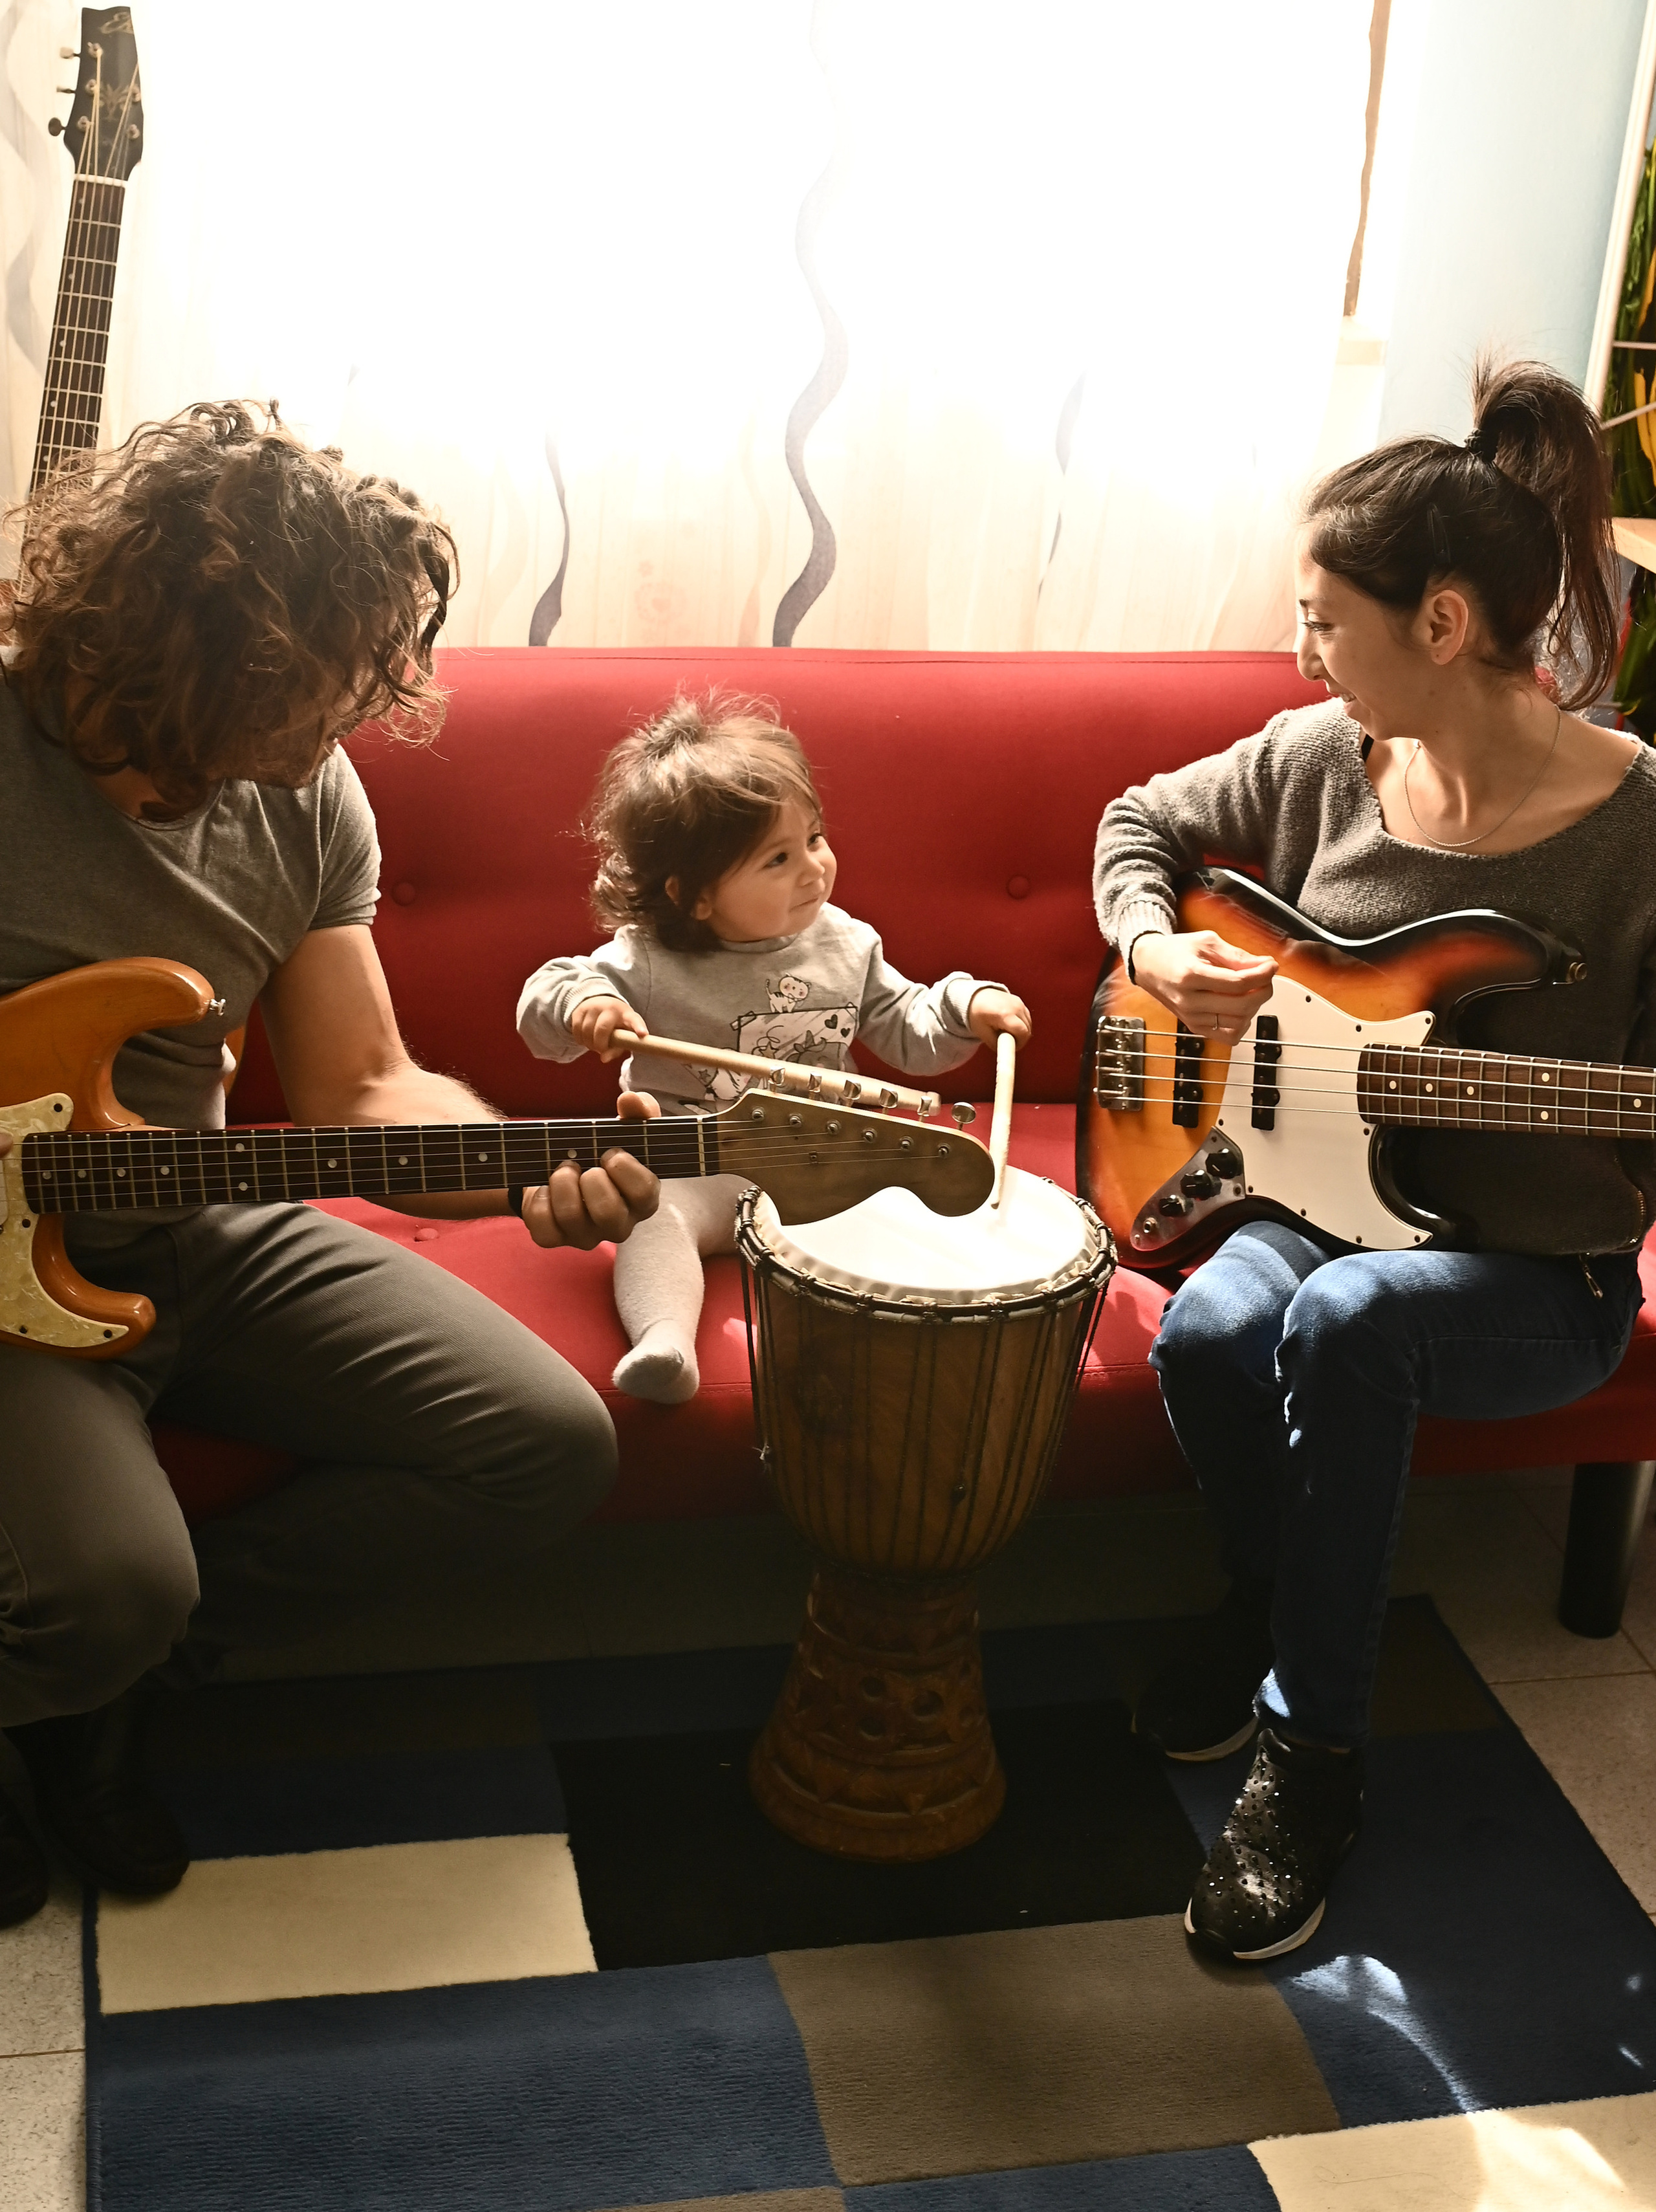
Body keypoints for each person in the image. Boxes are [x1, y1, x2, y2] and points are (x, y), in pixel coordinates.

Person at [0, 401, 660, 1929]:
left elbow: (364, 1084)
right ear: (188, 650)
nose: (339, 726)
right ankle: (83, 1658)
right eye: (309, 686)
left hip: (190, 1222)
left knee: (543, 1443)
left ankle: (113, 1685)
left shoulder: (305, 793)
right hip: (10, 1285)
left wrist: (534, 1166)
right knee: (107, 1583)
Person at [1093, 360, 1653, 1963]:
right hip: (1320, 1205)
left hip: (1532, 1273)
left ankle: (1310, 1757)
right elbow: (1136, 822)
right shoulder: (1317, 757)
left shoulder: (1641, 828)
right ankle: (1270, 1596)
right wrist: (1153, 947)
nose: (1301, 653)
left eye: (1322, 622)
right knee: (1208, 1330)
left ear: (1442, 625)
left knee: (1349, 1324)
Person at [517, 695, 1032, 1402]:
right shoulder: (648, 959)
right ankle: (665, 1341)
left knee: (925, 1199)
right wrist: (585, 1006)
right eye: (779, 858)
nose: (813, 869)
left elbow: (909, 1030)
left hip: (829, 1157)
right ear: (693, 895)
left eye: (815, 839)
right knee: (652, 1218)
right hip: (702, 1164)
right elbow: (545, 998)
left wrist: (963, 1006)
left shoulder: (847, 941)